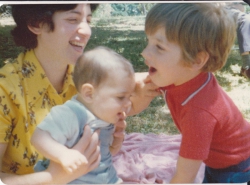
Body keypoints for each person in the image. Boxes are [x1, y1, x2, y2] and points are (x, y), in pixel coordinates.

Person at [0, 4, 159, 184]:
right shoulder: (5, 90)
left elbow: (129, 97)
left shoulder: (84, 76)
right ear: (37, 23)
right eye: (72, 19)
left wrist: (109, 148)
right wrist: (53, 177)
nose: (86, 31)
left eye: (88, 20)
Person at [141, 3, 250, 183]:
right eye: (148, 42)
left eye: (159, 47)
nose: (145, 53)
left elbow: (184, 177)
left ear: (196, 60)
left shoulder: (198, 114)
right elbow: (135, 86)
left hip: (236, 167)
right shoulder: (182, 74)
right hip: (219, 159)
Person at [31, 46, 135, 184]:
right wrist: (64, 154)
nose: (128, 103)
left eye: (130, 96)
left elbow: (107, 154)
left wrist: (116, 141)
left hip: (108, 179)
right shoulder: (71, 113)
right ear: (89, 93)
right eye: (121, 97)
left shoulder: (104, 114)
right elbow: (38, 137)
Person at [225, 2, 250, 79]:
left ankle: (245, 68)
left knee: (247, 19)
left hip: (237, 11)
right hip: (222, 10)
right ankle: (246, 67)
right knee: (246, 20)